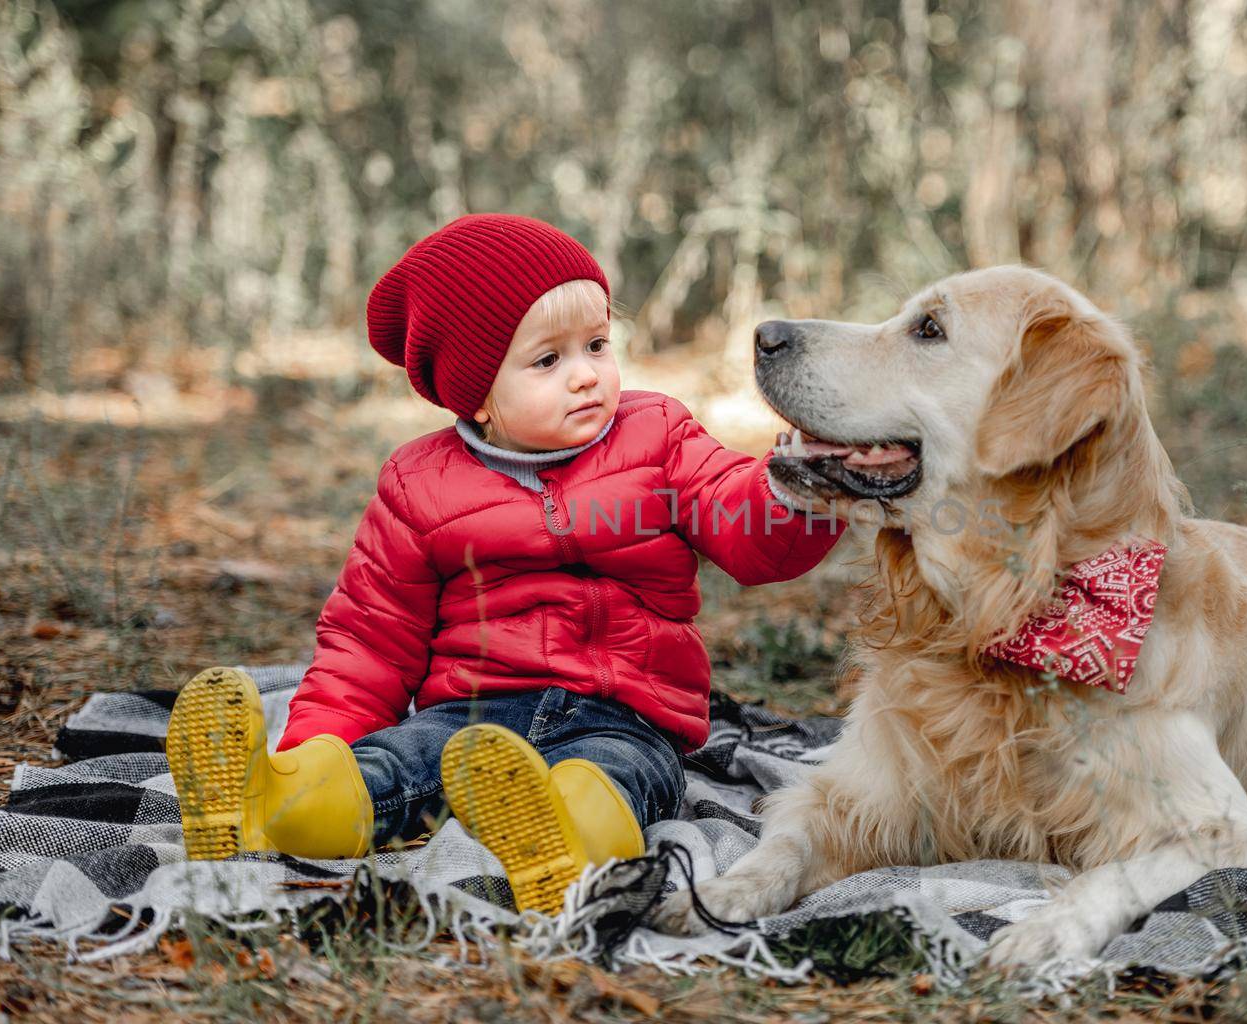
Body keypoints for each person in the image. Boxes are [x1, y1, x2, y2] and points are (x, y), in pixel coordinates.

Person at [165, 214, 845, 913]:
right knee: (394, 767)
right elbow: (369, 640)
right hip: (469, 717)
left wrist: (806, 482)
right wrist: (319, 744)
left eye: (597, 344)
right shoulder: (418, 483)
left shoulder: (659, 435)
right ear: (478, 395)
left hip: (623, 716)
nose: (586, 376)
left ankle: (560, 840)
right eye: (548, 361)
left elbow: (745, 526)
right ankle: (276, 800)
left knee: (612, 779)